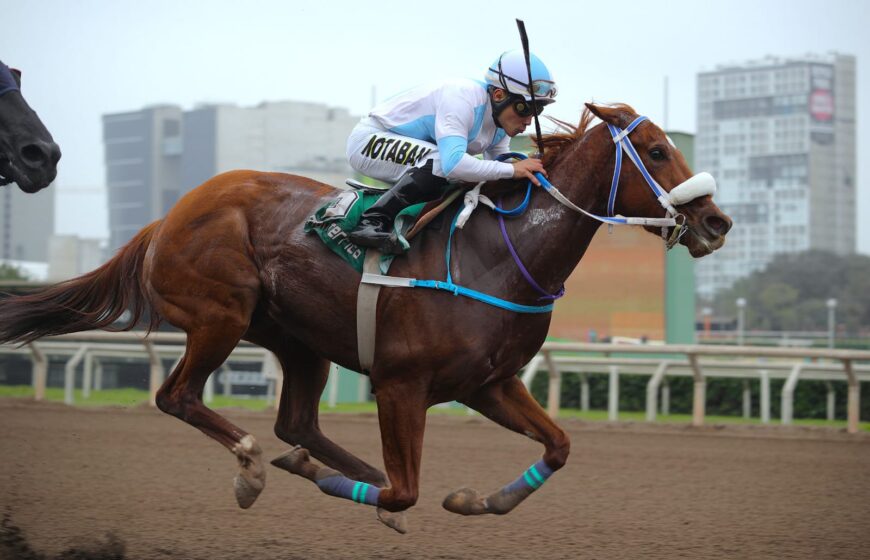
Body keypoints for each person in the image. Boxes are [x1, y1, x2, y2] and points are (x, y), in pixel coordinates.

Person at [345, 49, 557, 254]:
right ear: (499, 95)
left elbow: (496, 169)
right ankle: (370, 222)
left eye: (537, 110)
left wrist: (524, 170)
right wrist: (513, 170)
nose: (529, 120)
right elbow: (453, 164)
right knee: (442, 163)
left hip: (412, 151)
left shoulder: (500, 125)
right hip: (369, 140)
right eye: (525, 109)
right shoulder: (462, 97)